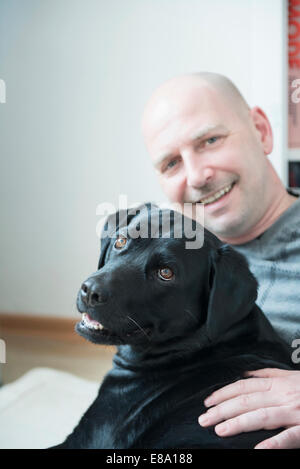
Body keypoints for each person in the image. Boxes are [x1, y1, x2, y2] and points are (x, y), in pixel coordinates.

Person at [141, 72, 300, 449]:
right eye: (171, 164)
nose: (197, 176)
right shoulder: (170, 270)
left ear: (260, 131)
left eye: (210, 141)